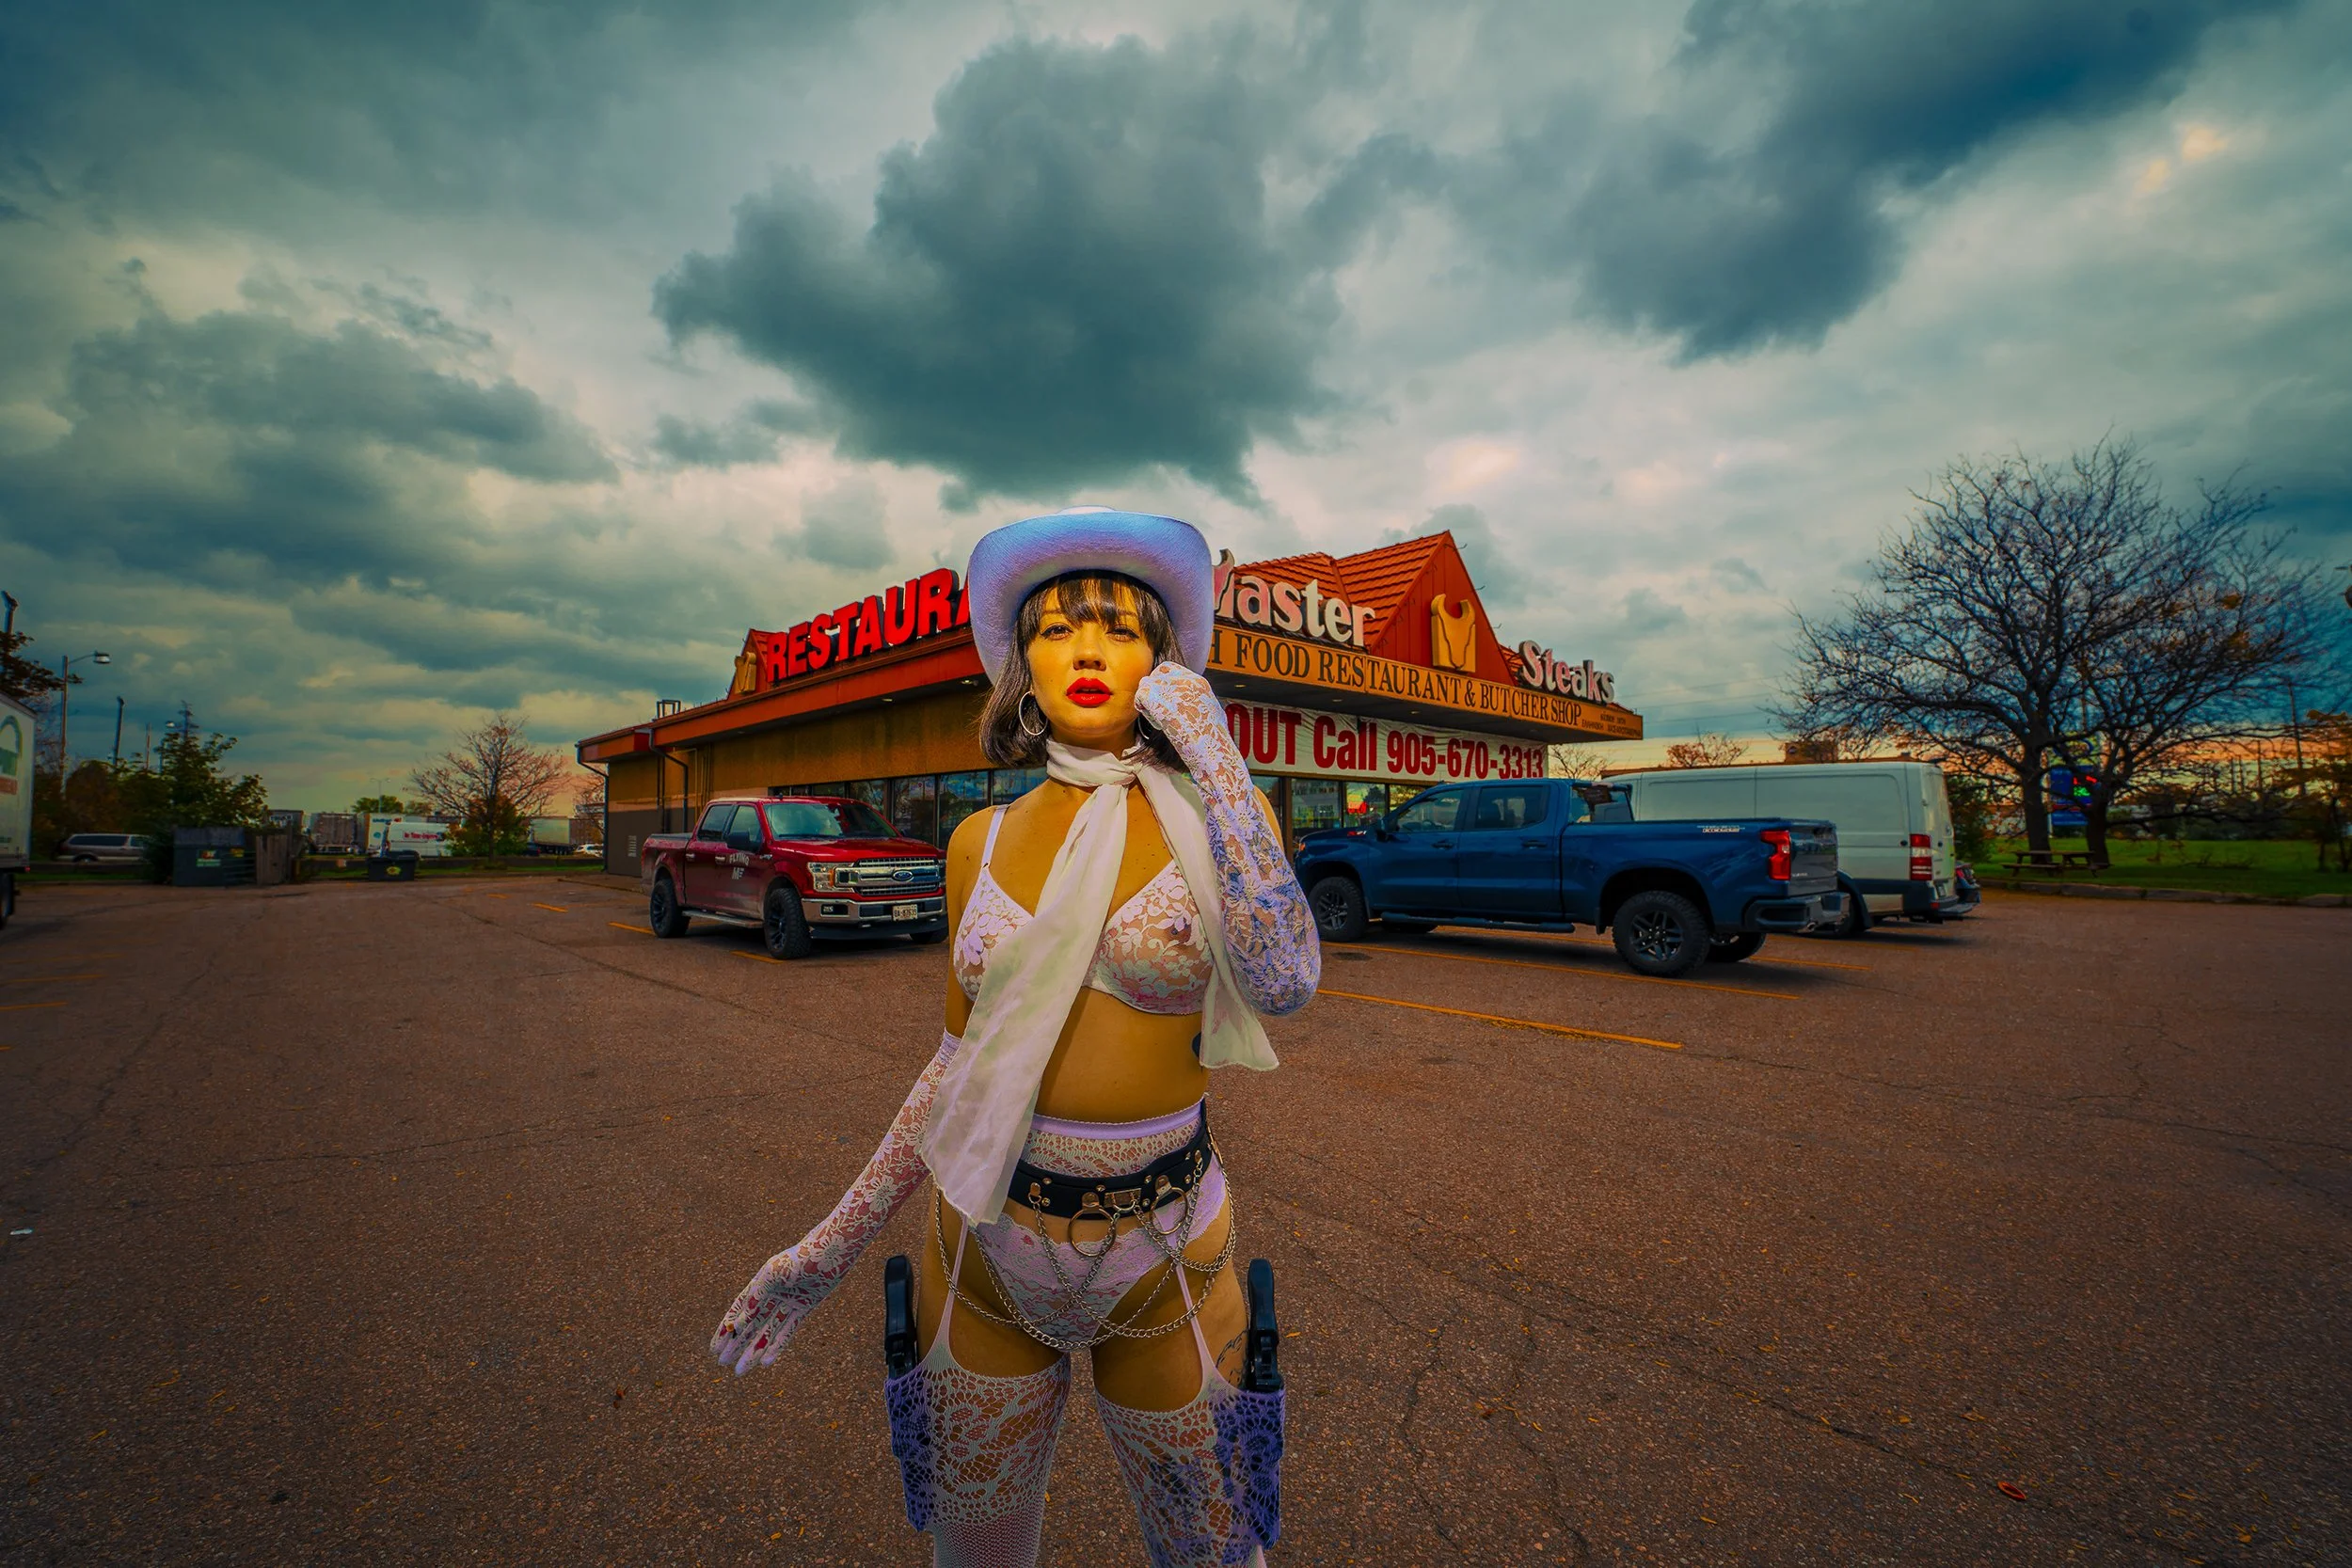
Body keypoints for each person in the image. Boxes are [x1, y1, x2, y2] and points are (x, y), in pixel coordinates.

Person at [710, 508, 1321, 1567]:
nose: (1089, 648)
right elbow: (957, 1067)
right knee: (976, 1555)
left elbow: (1286, 979)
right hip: (986, 1248)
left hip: (1164, 1251)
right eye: (1059, 627)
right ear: (1019, 666)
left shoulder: (1225, 813)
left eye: (1123, 627)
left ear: (1164, 659)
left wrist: (1214, 749)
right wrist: (826, 1247)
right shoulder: (974, 840)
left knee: (1215, 1554)